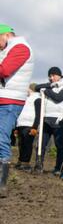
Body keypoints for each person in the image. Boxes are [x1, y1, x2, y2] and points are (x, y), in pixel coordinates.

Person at [0, 24, 34, 196]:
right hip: (4, 98)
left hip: (10, 101)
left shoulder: (20, 47)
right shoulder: (7, 49)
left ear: (5, 35)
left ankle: (2, 182)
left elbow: (4, 70)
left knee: (1, 137)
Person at [33, 67, 63, 175]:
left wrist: (46, 90)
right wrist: (49, 86)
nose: (51, 78)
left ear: (59, 75)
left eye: (53, 75)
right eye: (50, 76)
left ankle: (58, 168)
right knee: (41, 144)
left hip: (59, 119)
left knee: (59, 145)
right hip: (46, 117)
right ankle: (38, 165)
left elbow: (58, 98)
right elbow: (36, 87)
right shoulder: (50, 85)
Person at [14, 84, 41, 170]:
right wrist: (16, 127)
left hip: (30, 125)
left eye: (28, 89)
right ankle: (20, 161)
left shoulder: (38, 99)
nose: (26, 90)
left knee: (27, 144)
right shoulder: (26, 99)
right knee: (21, 143)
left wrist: (34, 127)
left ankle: (25, 163)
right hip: (21, 124)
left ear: (31, 89)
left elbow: (38, 115)